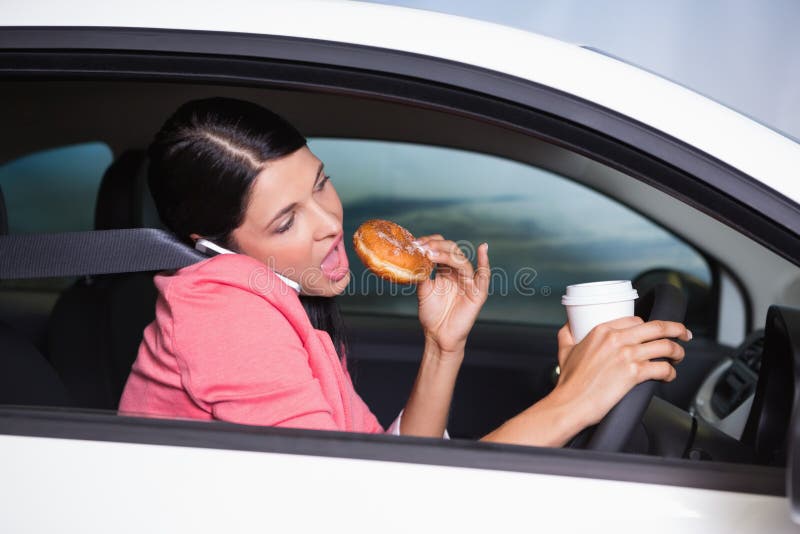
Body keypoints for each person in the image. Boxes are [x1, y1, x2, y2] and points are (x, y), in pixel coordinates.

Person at [119, 97, 691, 446]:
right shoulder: (224, 316)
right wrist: (574, 402)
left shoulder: (271, 298)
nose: (329, 223)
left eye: (320, 183)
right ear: (216, 244)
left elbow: (383, 462)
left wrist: (444, 347)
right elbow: (367, 507)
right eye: (286, 220)